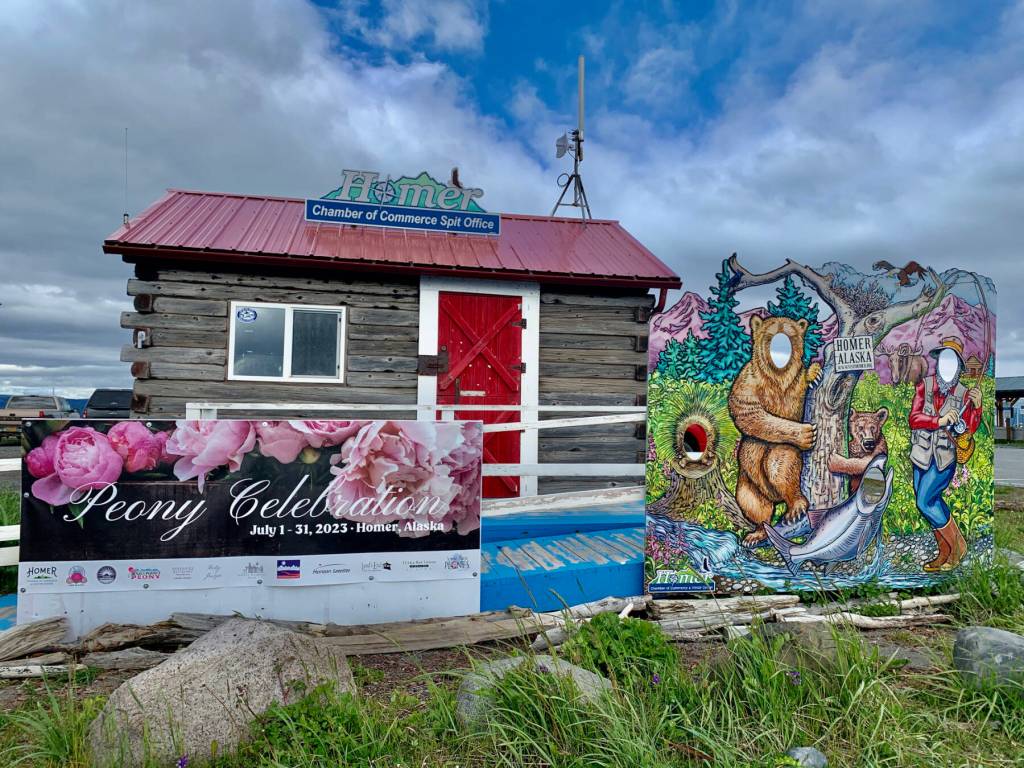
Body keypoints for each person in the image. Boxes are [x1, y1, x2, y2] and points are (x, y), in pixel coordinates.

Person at [908, 337, 981, 571]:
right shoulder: (924, 386)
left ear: (959, 366)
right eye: (943, 360)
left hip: (944, 458)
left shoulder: (964, 393)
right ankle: (945, 552)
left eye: (952, 361)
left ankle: (958, 545)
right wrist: (938, 420)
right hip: (920, 455)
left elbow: (968, 429)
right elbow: (914, 419)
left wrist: (976, 408)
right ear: (938, 362)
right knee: (928, 503)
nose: (946, 366)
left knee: (925, 501)